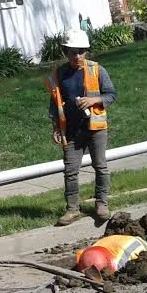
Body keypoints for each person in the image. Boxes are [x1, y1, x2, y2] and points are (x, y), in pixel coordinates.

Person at [47, 28, 117, 226]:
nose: (76, 56)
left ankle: (102, 204)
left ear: (86, 51)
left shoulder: (97, 70)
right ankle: (72, 209)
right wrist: (55, 127)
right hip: (71, 130)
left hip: (95, 127)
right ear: (65, 52)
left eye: (80, 51)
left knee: (100, 166)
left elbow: (111, 95)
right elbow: (55, 103)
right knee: (70, 170)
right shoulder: (60, 74)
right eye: (72, 52)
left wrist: (93, 100)